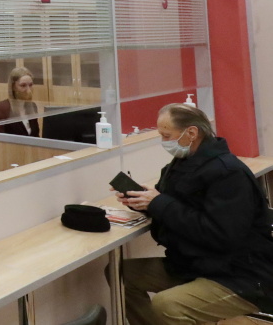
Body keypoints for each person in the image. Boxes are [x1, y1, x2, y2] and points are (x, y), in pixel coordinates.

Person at [112, 103, 273, 324]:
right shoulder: (183, 162)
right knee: (121, 275)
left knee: (168, 305)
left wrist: (159, 203)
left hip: (240, 274)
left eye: (167, 136)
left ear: (191, 133)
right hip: (194, 263)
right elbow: (168, 201)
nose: (163, 142)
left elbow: (221, 235)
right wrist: (141, 201)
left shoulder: (229, 174)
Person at [0, 66, 40, 137]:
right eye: (23, 85)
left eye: (30, 85)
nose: (29, 90)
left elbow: (36, 135)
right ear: (13, 87)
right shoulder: (1, 108)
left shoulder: (32, 106)